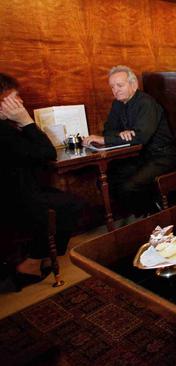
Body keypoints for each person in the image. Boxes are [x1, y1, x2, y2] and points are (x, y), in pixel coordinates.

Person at [0, 73, 82, 288]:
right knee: (72, 205)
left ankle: (43, 255)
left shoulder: (6, 128)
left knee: (65, 201)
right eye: (16, 98)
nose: (21, 103)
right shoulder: (4, 133)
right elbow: (47, 153)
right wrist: (26, 121)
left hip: (20, 191)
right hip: (14, 201)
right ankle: (33, 261)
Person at [84, 65, 176, 216]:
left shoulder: (146, 103)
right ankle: (144, 211)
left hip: (162, 156)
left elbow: (141, 137)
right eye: (112, 87)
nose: (116, 90)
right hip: (140, 156)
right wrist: (121, 133)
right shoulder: (117, 103)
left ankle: (154, 214)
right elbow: (109, 129)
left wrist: (105, 140)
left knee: (129, 186)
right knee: (106, 181)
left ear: (133, 84)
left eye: (120, 85)